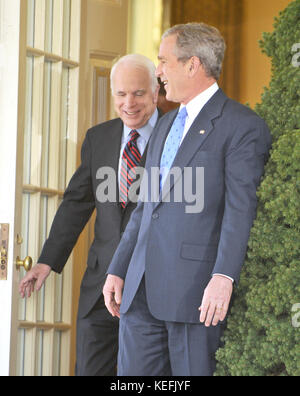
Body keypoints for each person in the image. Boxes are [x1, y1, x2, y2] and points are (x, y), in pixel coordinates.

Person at [103, 23, 272, 376]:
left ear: (192, 65)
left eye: (163, 61)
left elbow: (240, 211)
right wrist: (119, 268)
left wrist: (223, 276)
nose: (158, 70)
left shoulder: (242, 126)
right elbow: (145, 208)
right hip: (140, 290)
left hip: (195, 294)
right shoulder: (164, 124)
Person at [19, 54, 160, 376]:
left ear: (155, 92)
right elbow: (77, 203)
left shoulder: (176, 136)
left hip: (152, 284)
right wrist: (46, 260)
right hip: (100, 284)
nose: (129, 103)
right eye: (121, 94)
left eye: (138, 93)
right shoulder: (100, 137)